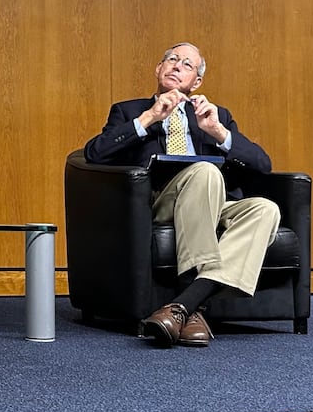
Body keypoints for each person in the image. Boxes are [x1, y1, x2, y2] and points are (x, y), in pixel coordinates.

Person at [83, 42, 280, 347]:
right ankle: (193, 303)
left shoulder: (216, 115)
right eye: (172, 59)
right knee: (205, 171)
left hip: (214, 202)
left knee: (265, 209)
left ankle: (185, 305)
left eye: (187, 64)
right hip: (160, 201)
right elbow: (94, 154)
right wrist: (149, 118)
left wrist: (218, 132)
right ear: (158, 69)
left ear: (196, 82)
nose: (177, 66)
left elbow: (263, 165)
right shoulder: (129, 110)